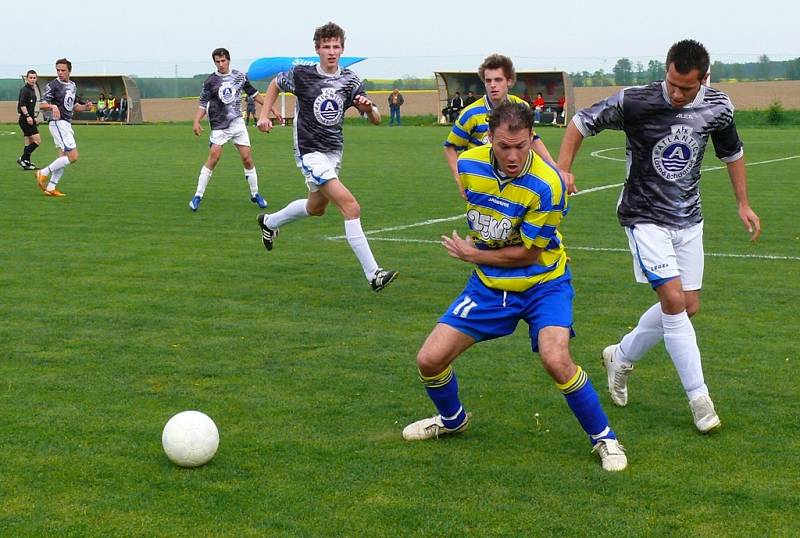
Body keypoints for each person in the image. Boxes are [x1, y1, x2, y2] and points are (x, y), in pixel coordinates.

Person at [402, 101, 627, 472]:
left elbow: (529, 255)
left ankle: (605, 439)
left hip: (544, 285)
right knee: (429, 359)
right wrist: (479, 251)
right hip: (489, 288)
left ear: (531, 139)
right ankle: (452, 420)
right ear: (489, 137)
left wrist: (472, 254)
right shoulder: (468, 165)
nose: (513, 155)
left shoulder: (549, 184)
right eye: (504, 146)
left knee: (556, 360)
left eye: (521, 146)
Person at [557, 39, 761, 433]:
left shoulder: (717, 106)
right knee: (672, 300)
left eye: (686, 87)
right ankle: (700, 399)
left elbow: (732, 153)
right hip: (643, 216)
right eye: (672, 83)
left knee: (689, 304)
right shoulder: (637, 100)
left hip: (689, 218)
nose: (677, 93)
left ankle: (620, 355)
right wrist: (564, 169)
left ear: (704, 79)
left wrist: (743, 203)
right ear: (666, 71)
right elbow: (581, 122)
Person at [256, 21, 397, 293]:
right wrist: (264, 115)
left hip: (334, 151)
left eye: (336, 46)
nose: (332, 51)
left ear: (342, 49)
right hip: (310, 152)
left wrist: (368, 109)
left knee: (316, 208)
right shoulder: (302, 74)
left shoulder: (351, 80)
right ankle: (374, 274)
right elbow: (274, 83)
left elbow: (377, 118)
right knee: (350, 206)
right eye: (326, 47)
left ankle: (270, 222)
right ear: (317, 49)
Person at [443, 54, 564, 200]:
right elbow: (450, 147)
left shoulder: (521, 106)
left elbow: (532, 139)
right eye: (488, 81)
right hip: (484, 185)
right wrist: (460, 180)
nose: (493, 85)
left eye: (498, 79)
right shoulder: (470, 114)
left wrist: (554, 167)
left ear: (510, 81)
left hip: (515, 181)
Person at [189, 47, 269, 212]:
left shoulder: (239, 76)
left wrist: (271, 108)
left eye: (223, 61)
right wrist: (196, 121)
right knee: (214, 157)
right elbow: (203, 104)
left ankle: (255, 194)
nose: (221, 64)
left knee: (247, 158)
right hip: (219, 125)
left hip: (237, 123)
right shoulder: (210, 81)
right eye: (217, 62)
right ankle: (197, 196)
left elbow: (253, 93)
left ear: (228, 60)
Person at [35, 58, 93, 197]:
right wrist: (52, 106)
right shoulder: (53, 86)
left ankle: (50, 188)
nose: (60, 73)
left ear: (69, 71)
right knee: (73, 157)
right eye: (58, 70)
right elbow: (42, 105)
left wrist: (85, 107)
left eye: (63, 70)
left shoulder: (72, 85)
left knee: (62, 158)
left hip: (66, 123)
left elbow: (73, 106)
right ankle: (43, 172)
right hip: (57, 123)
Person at [17, 70, 41, 170]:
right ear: (27, 78)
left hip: (29, 118)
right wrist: (27, 116)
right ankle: (23, 159)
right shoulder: (25, 90)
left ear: (36, 79)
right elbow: (22, 104)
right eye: (30, 78)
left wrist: (34, 117)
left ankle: (27, 163)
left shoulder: (32, 90)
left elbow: (30, 106)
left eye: (34, 78)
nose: (32, 80)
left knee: (29, 141)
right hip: (25, 119)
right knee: (37, 141)